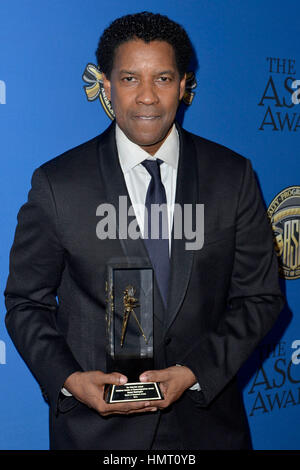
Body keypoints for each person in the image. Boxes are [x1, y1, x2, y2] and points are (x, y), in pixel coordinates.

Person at [4, 11, 284, 450]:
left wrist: (195, 372)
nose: (147, 97)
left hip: (207, 428)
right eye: (131, 78)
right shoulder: (59, 183)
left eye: (163, 79)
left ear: (185, 85)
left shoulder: (231, 176)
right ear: (106, 85)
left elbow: (261, 297)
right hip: (95, 436)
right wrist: (70, 380)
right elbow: (25, 302)